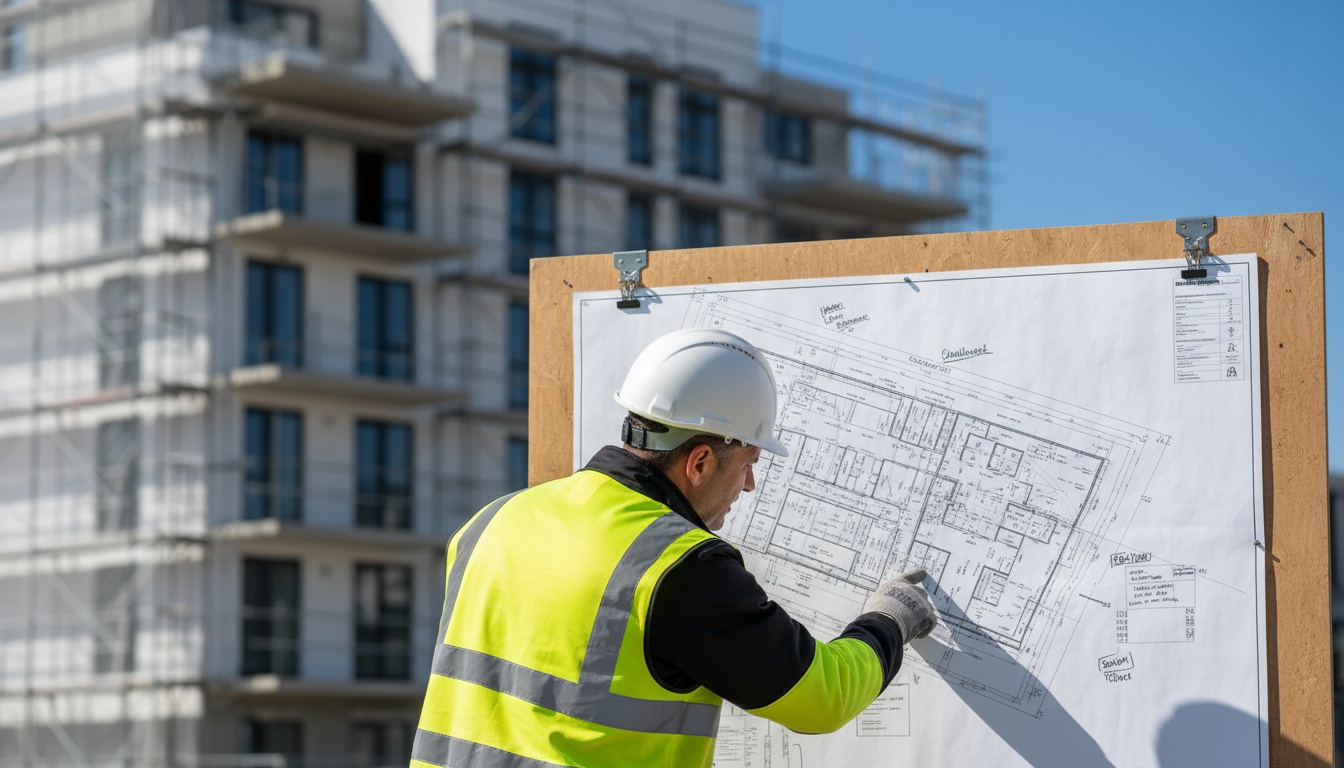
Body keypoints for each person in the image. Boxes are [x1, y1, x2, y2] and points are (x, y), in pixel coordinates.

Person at [411, 327, 939, 768]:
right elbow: (823, 698)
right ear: (701, 461)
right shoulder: (680, 568)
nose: (749, 485)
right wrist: (889, 620)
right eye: (748, 462)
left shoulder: (492, 520)